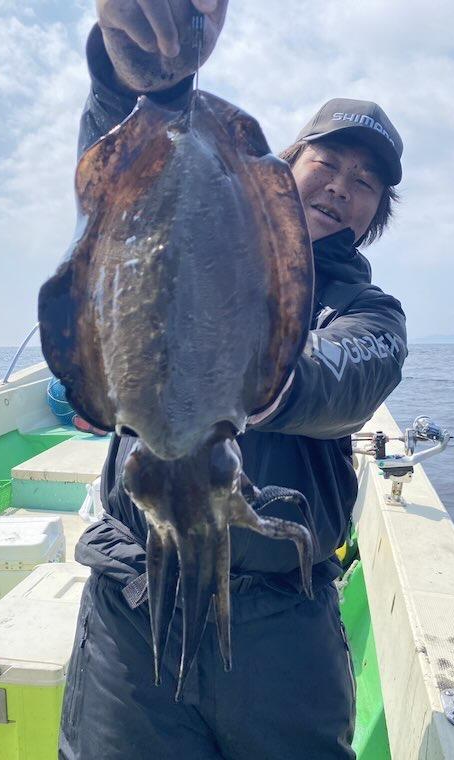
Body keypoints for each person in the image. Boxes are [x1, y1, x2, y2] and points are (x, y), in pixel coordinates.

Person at [59, 2, 407, 758]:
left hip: (282, 628)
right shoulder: (196, 244)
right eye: (327, 163)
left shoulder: (370, 312)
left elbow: (346, 378)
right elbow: (125, 188)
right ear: (288, 164)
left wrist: (239, 383)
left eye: (364, 183)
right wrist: (130, 74)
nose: (341, 187)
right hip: (133, 602)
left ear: (376, 213)